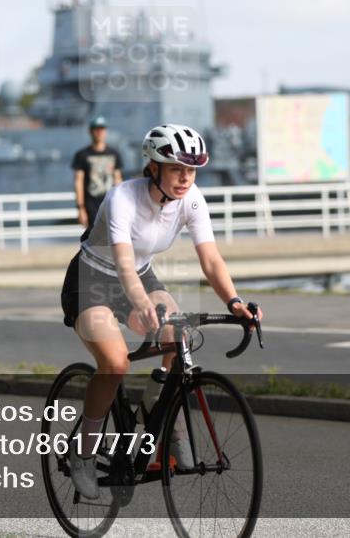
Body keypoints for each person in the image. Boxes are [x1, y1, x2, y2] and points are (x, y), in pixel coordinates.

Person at [59, 123, 265, 499]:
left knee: (178, 334)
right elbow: (121, 265)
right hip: (93, 279)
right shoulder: (122, 198)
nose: (186, 178)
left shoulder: (191, 199)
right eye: (176, 169)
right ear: (153, 167)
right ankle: (83, 453)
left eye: (191, 170)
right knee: (116, 362)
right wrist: (139, 304)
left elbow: (211, 260)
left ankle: (158, 414)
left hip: (140, 273)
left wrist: (234, 303)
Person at [71, 116, 123, 230]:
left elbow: (118, 180)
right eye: (96, 129)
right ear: (90, 132)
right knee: (94, 240)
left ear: (106, 131)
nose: (99, 132)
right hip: (91, 205)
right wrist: (80, 208)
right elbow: (78, 182)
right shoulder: (82, 155)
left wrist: (122, 203)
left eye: (102, 129)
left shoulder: (114, 153)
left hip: (111, 204)